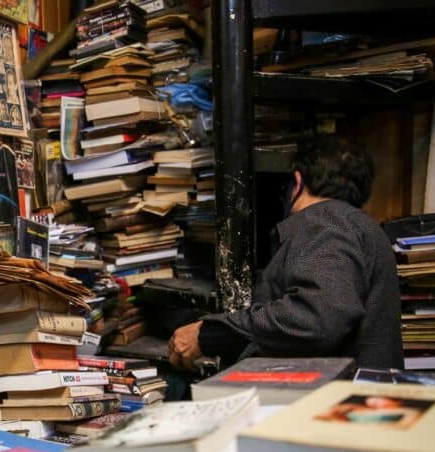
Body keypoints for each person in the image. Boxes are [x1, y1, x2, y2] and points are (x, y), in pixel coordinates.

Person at [168, 136, 403, 371]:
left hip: (330, 401)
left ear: (298, 182)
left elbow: (316, 319)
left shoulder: (328, 225)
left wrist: (209, 334)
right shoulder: (359, 227)